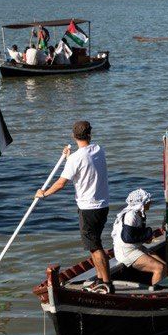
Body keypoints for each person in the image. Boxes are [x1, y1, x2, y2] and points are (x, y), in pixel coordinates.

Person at [37, 121, 113, 291]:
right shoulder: (99, 150)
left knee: (95, 247)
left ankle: (107, 283)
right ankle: (100, 279)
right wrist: (68, 157)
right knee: (94, 245)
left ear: (73, 136)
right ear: (90, 134)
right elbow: (83, 159)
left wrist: (44, 193)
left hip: (89, 208)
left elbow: (61, 183)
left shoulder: (75, 159)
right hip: (103, 205)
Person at [110, 188, 168, 285]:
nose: (150, 203)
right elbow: (127, 238)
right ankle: (156, 292)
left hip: (135, 247)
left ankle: (163, 287)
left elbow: (136, 235)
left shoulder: (139, 214)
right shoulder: (131, 215)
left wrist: (147, 237)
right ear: (142, 203)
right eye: (148, 201)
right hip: (126, 251)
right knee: (159, 268)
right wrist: (147, 234)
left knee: (165, 266)